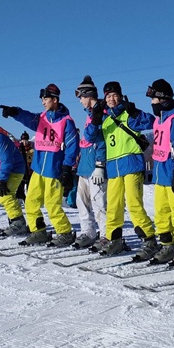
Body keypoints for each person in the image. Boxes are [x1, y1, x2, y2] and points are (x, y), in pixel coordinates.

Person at [0, 83, 80, 247]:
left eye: (45, 99)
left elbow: (72, 146)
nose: (43, 102)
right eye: (42, 99)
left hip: (54, 170)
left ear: (55, 100)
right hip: (38, 169)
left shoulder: (66, 121)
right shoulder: (42, 118)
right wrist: (15, 112)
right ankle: (39, 231)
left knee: (52, 205)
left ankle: (65, 232)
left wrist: (66, 167)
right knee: (31, 202)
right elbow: (27, 117)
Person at [85, 81, 156, 258]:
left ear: (120, 96)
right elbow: (89, 137)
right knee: (113, 206)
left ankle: (149, 240)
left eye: (115, 95)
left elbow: (151, 121)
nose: (111, 99)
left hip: (131, 164)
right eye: (108, 96)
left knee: (133, 203)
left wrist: (134, 111)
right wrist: (95, 118)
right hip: (114, 167)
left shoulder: (128, 115)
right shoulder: (105, 119)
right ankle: (114, 239)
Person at [134, 78, 174, 264]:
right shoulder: (160, 120)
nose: (152, 103)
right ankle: (168, 245)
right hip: (161, 176)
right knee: (161, 215)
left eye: (154, 99)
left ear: (163, 99)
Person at [73, 76, 107, 250]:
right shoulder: (89, 115)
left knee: (99, 202)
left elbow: (101, 140)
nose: (80, 101)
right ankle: (88, 232)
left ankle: (106, 235)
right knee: (82, 201)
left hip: (95, 166)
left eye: (81, 97)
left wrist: (100, 164)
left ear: (88, 95)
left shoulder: (101, 113)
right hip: (85, 166)